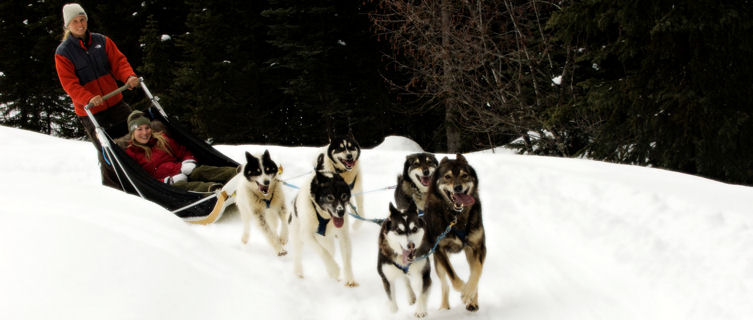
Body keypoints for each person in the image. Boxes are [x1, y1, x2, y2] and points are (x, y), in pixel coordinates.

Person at [54, 3, 140, 189]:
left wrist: (129, 76)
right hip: (91, 112)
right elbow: (70, 84)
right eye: (75, 21)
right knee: (106, 148)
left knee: (137, 133)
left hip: (115, 103)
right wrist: (88, 98)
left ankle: (144, 175)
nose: (80, 24)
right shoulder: (63, 53)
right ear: (67, 26)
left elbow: (119, 63)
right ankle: (113, 188)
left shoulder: (102, 41)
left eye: (82, 19)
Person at [124, 111, 238, 192]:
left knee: (201, 170)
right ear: (132, 133)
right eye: (139, 129)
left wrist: (188, 162)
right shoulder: (131, 154)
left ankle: (237, 173)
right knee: (183, 186)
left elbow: (183, 152)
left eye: (147, 128)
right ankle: (213, 189)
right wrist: (166, 181)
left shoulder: (161, 138)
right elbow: (142, 179)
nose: (145, 133)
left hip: (182, 170)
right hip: (169, 184)